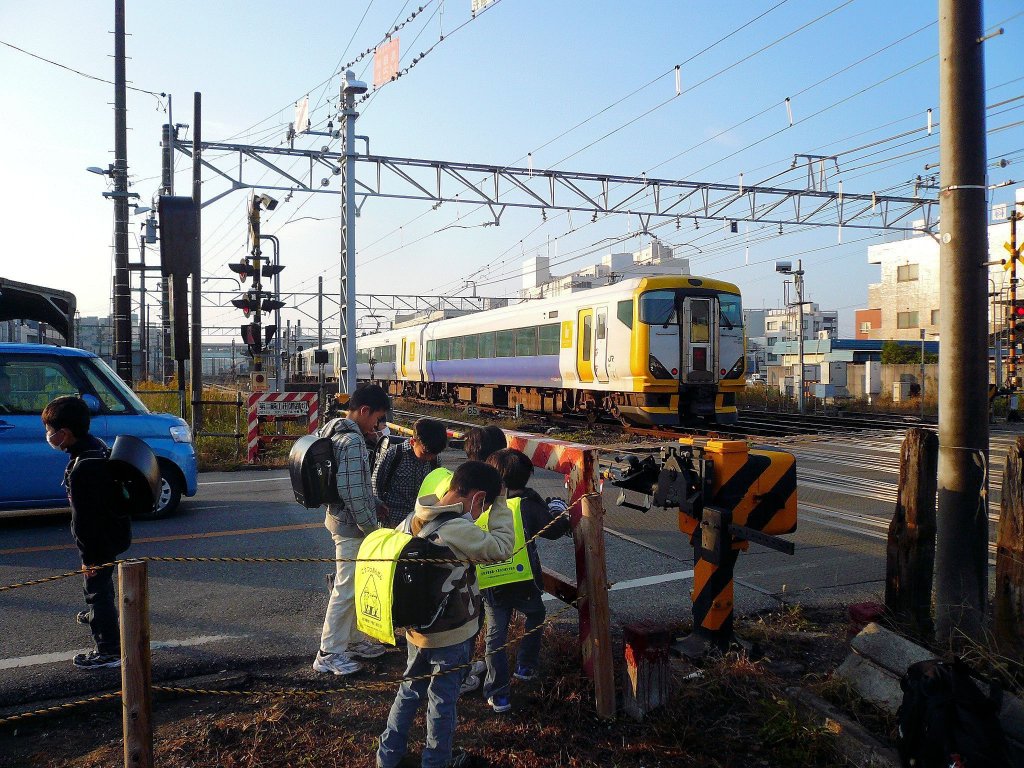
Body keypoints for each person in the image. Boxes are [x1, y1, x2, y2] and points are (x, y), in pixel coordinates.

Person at [377, 461, 514, 768]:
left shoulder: (415, 517)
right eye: (484, 507)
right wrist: (502, 500)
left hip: (418, 628)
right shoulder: (458, 529)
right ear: (478, 499)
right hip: (451, 633)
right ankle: (436, 761)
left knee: (410, 689)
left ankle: (388, 756)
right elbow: (503, 547)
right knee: (443, 699)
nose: (480, 516)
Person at [41, 395, 131, 670]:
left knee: (96, 590)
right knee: (101, 587)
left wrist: (88, 557)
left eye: (49, 431)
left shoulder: (82, 469)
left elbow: (84, 521)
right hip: (115, 530)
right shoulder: (97, 448)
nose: (48, 436)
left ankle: (108, 650)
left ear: (65, 434)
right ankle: (98, 615)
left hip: (100, 539)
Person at [480, 448, 571, 713]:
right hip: (523, 580)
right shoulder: (527, 504)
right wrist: (558, 510)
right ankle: (526, 665)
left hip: (492, 581)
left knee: (495, 636)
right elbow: (554, 531)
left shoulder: (482, 501)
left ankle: (498, 694)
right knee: (535, 615)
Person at [313, 384, 393, 677]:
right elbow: (354, 492)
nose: (379, 425)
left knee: (354, 585)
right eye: (377, 418)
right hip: (350, 526)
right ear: (364, 411)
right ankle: (329, 652)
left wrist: (375, 502)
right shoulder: (353, 442)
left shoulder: (334, 430)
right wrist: (372, 529)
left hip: (341, 518)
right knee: (346, 589)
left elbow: (347, 483)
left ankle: (353, 639)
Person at [372, 418, 448, 527]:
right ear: (413, 442)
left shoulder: (435, 461)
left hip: (419, 522)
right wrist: (379, 507)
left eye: (434, 454)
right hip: (391, 521)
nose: (429, 458)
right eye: (425, 453)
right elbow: (376, 482)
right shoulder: (395, 455)